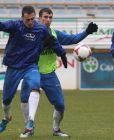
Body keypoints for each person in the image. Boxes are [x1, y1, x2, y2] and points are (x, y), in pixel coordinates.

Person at [20, 8, 98, 138]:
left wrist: (87, 32)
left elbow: (73, 39)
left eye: (50, 17)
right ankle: (29, 128)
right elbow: (27, 53)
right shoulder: (31, 34)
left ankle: (56, 130)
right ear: (39, 18)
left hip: (49, 74)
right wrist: (43, 45)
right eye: (45, 17)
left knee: (60, 106)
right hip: (32, 72)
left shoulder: (54, 34)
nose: (48, 20)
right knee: (25, 99)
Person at [0, 5, 67, 134]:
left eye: (32, 19)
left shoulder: (41, 29)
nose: (30, 22)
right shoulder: (15, 25)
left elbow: (53, 42)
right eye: (27, 20)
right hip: (14, 66)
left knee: (34, 84)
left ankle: (30, 121)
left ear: (35, 17)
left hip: (31, 65)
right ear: (22, 18)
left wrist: (62, 54)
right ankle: (6, 118)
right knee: (6, 99)